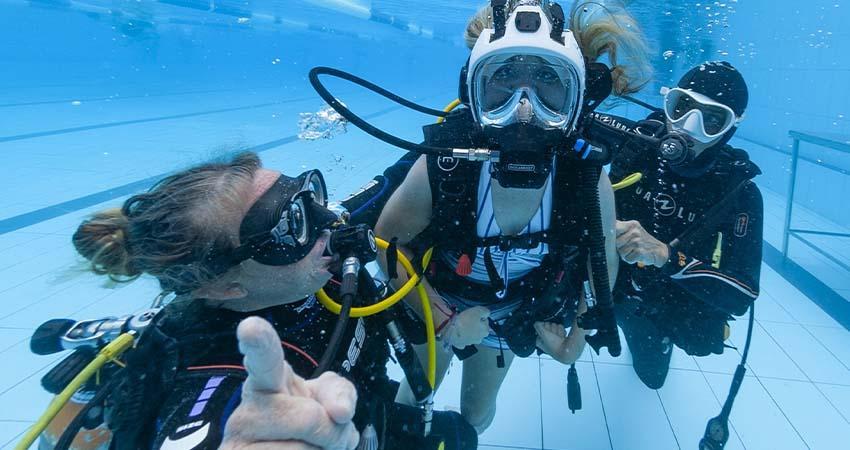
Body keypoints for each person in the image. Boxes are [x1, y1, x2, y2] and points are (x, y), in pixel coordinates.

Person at [67, 152, 476, 449]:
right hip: (346, 431)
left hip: (372, 409)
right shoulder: (230, 371)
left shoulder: (314, 250)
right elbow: (215, 429)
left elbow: (409, 169)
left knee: (460, 435)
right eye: (292, 224)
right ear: (224, 288)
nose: (329, 220)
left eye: (306, 195)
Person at [372, 0, 652, 433]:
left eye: (547, 79)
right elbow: (387, 241)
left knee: (476, 414)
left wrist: (575, 341)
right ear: (473, 91)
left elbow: (604, 264)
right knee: (413, 404)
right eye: (504, 77)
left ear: (577, 97)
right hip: (442, 297)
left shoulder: (584, 178)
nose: (525, 108)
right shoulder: (447, 163)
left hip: (514, 312)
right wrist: (445, 317)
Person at [606, 61, 763, 389]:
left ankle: (647, 335)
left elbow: (742, 294)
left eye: (712, 120)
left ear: (729, 128)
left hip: (659, 306)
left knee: (652, 378)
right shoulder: (636, 142)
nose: (688, 128)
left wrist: (665, 255)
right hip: (606, 284)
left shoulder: (738, 192)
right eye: (682, 107)